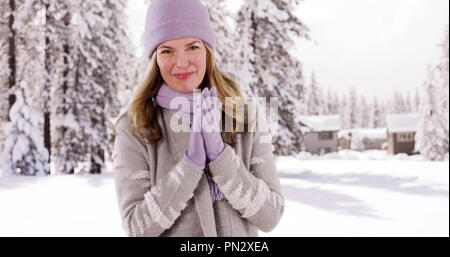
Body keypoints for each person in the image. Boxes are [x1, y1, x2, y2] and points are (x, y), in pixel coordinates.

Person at [112, 0, 284, 237]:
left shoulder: (247, 117)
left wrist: (221, 157)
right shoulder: (134, 129)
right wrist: (189, 167)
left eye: (192, 47)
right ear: (155, 59)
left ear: (207, 50)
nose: (181, 62)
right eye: (167, 51)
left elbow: (270, 215)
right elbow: (136, 227)